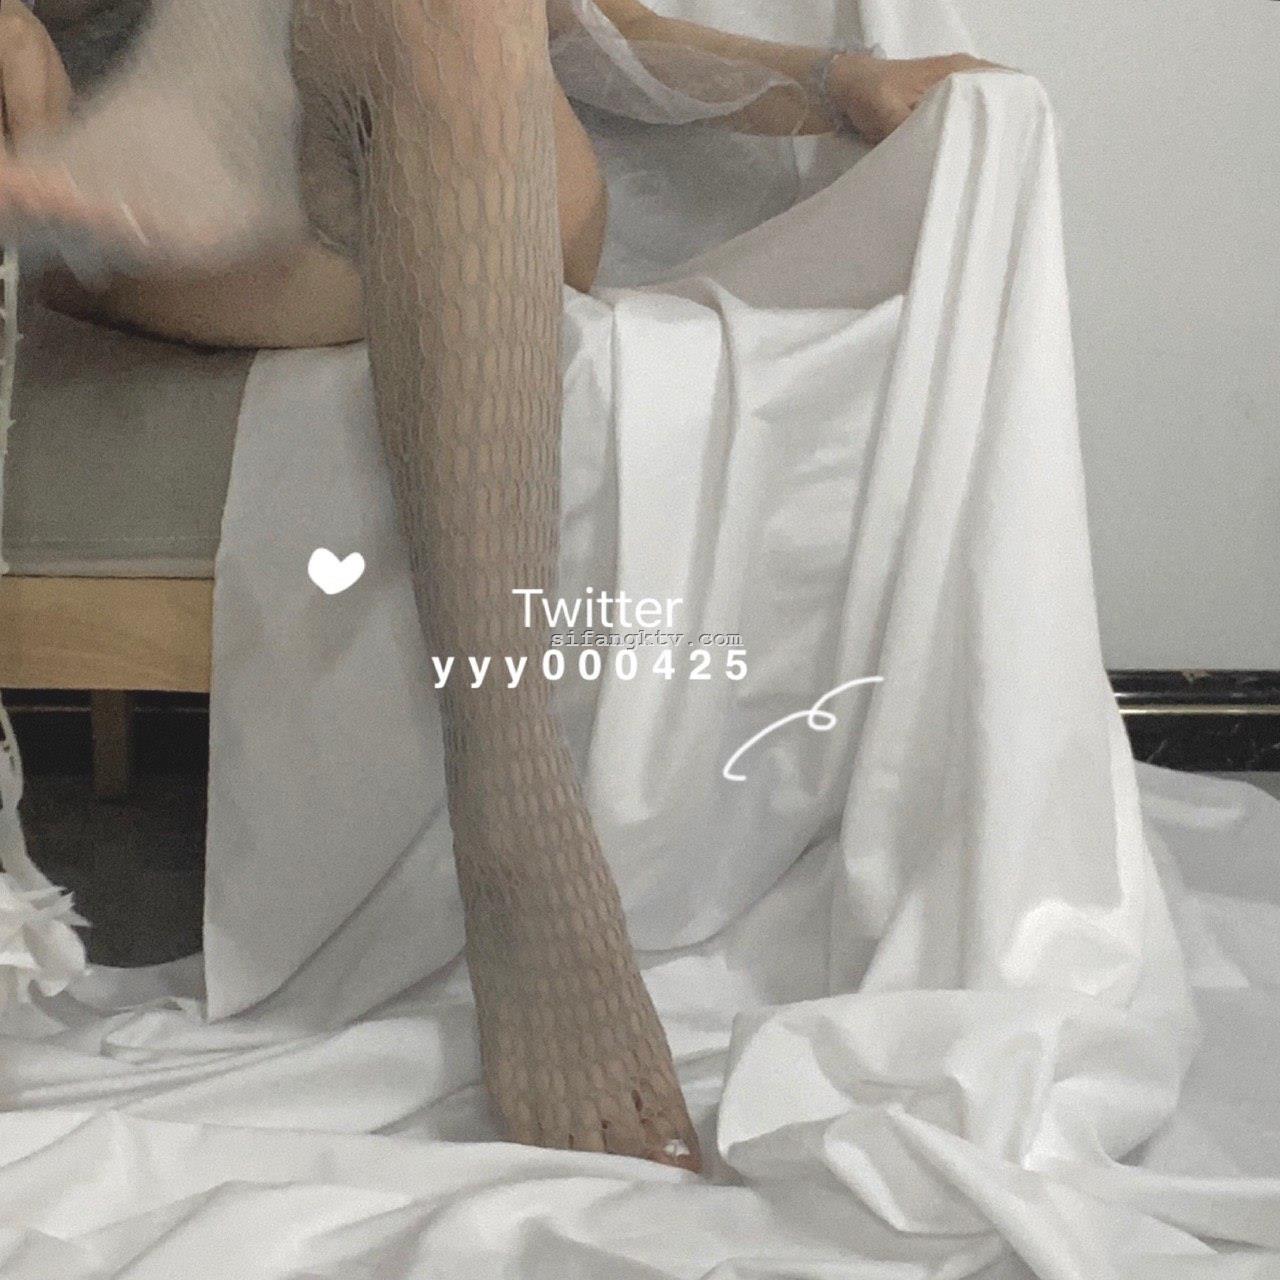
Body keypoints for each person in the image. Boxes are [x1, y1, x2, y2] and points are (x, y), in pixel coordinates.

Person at [0, 0, 995, 1169]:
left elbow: (579, 26)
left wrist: (829, 83)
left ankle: (517, 825)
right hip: (155, 230)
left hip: (447, 186)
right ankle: (525, 852)